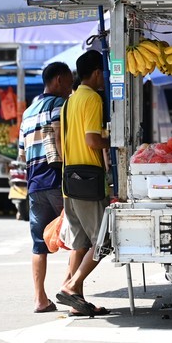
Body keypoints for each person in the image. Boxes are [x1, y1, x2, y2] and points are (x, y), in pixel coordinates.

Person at [55, 51, 110, 317]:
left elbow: (61, 144)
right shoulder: (92, 98)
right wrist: (113, 142)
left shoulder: (69, 101)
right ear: (98, 72)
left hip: (69, 180)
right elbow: (92, 141)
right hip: (89, 180)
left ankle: (76, 300)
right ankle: (73, 285)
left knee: (80, 244)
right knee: (103, 241)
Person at [21, 61, 73, 314]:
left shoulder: (28, 112)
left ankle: (39, 298)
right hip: (58, 180)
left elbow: (22, 153)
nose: (72, 86)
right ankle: (71, 290)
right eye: (70, 80)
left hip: (34, 183)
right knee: (78, 238)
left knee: (38, 243)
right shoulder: (61, 105)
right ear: (59, 80)